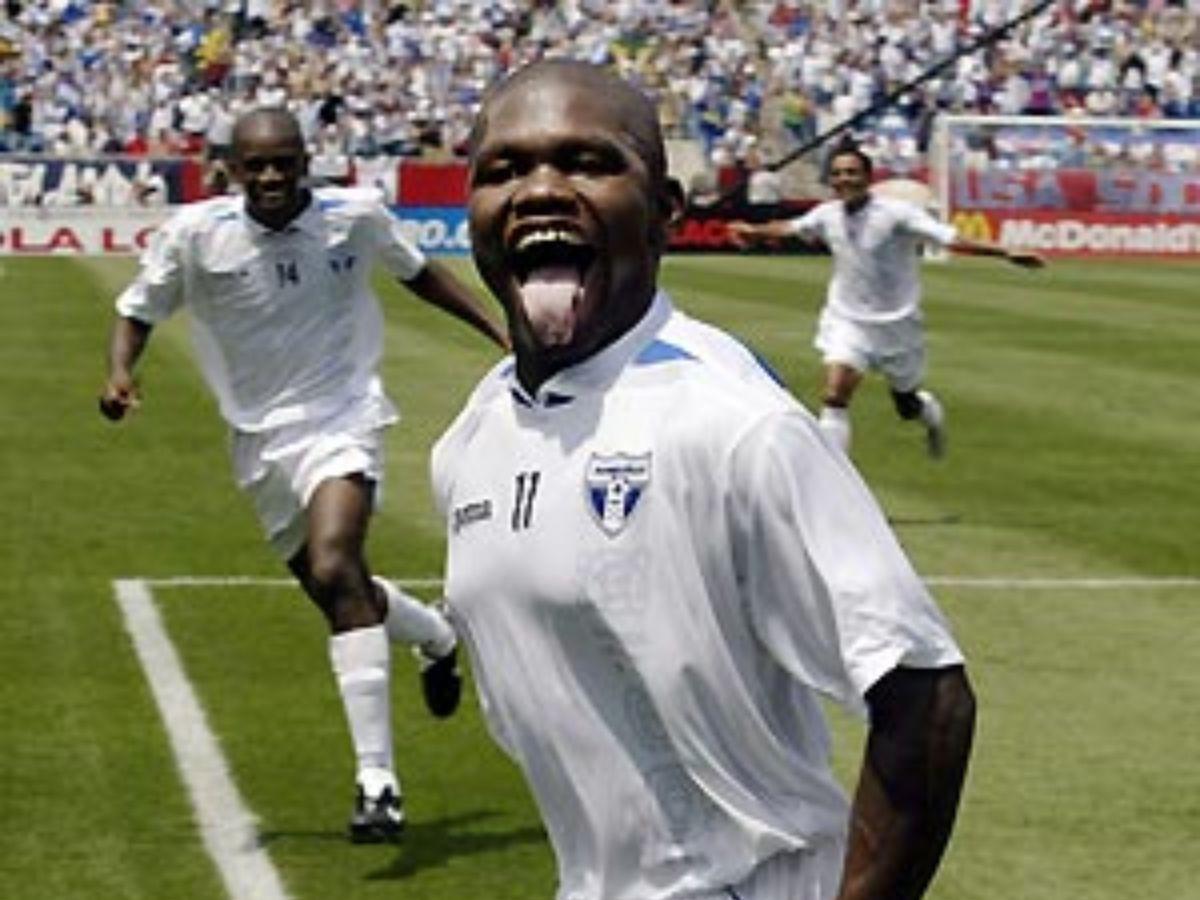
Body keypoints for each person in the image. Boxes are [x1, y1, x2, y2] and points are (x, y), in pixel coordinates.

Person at [431, 59, 977, 900]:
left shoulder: (733, 423)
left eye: (589, 162)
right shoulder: (472, 436)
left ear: (664, 213)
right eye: (503, 169)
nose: (540, 189)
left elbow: (927, 698)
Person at [99, 106, 508, 844]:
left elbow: (421, 276)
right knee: (336, 592)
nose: (271, 177)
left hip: (344, 417)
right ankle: (437, 637)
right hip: (258, 441)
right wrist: (120, 372)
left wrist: (497, 330)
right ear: (231, 168)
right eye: (256, 165)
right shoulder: (196, 235)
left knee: (335, 560)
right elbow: (137, 310)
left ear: (305, 159)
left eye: (284, 162)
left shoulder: (356, 217)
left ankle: (377, 783)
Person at [728, 140, 1045, 457]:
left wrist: (1005, 252)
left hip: (897, 324)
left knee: (906, 405)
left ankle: (930, 416)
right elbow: (791, 228)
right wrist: (753, 231)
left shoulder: (897, 214)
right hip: (848, 320)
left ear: (868, 177)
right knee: (835, 394)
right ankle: (833, 478)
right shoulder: (828, 214)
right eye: (837, 173)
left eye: (852, 172)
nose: (844, 179)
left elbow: (948, 238)